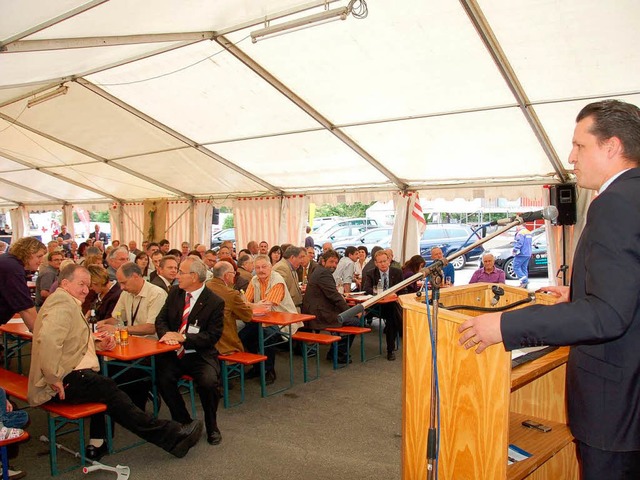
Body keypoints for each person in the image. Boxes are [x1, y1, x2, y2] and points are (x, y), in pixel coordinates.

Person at [458, 100, 640, 479]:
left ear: (611, 147)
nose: (571, 157)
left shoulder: (615, 204)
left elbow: (608, 316)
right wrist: (577, 295)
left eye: (580, 145)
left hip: (616, 408)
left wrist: (506, 326)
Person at [28, 264, 203, 459]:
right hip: (61, 379)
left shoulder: (65, 302)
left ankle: (100, 441)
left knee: (107, 386)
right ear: (65, 283)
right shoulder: (62, 304)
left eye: (88, 285)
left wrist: (97, 343)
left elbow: (69, 339)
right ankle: (170, 436)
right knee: (109, 388)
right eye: (81, 284)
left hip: (72, 372)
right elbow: (49, 341)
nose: (86, 289)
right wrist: (53, 377)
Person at [155, 257, 224, 447]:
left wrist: (184, 338)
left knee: (209, 382)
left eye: (181, 272)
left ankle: (212, 425)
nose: (177, 275)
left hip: (199, 354)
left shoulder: (214, 302)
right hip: (173, 352)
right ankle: (184, 421)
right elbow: (160, 320)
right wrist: (168, 335)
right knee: (161, 377)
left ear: (193, 276)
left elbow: (212, 336)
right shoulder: (175, 293)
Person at [240, 254, 298, 385]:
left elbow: (267, 306)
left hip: (283, 320)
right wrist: (253, 305)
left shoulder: (277, 280)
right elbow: (244, 302)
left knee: (267, 336)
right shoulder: (254, 279)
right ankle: (257, 367)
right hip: (261, 319)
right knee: (244, 336)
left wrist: (251, 305)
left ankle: (268, 371)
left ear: (271, 267)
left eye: (264, 267)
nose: (261, 270)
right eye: (257, 267)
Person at [302, 250, 360, 363]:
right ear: (323, 261)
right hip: (319, 314)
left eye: (336, 263)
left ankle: (335, 352)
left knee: (349, 318)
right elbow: (334, 296)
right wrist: (351, 312)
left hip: (316, 310)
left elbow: (332, 295)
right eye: (331, 262)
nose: (334, 265)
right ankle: (338, 355)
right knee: (355, 321)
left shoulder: (318, 270)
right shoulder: (324, 273)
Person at [362, 250, 406, 361]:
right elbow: (366, 289)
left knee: (392, 313)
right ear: (376, 263)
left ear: (389, 261)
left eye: (384, 261)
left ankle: (390, 350)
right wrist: (378, 292)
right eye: (380, 262)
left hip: (392, 304)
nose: (383, 264)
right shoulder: (371, 273)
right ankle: (403, 328)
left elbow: (403, 290)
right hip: (377, 305)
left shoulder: (397, 272)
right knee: (394, 314)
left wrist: (395, 294)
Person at [205, 261, 252, 355]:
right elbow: (248, 316)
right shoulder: (231, 294)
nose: (234, 275)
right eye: (233, 273)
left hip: (204, 339)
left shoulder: (204, 287)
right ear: (226, 275)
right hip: (224, 343)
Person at [0, 237, 46, 330]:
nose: (41, 261)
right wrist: (42, 337)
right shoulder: (12, 269)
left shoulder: (8, 261)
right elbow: (26, 308)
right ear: (27, 253)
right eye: (39, 256)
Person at [272, 246, 306, 312]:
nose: (301, 261)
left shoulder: (292, 267)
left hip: (292, 309)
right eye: (300, 257)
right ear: (292, 257)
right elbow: (278, 291)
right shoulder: (282, 268)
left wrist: (299, 290)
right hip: (286, 311)